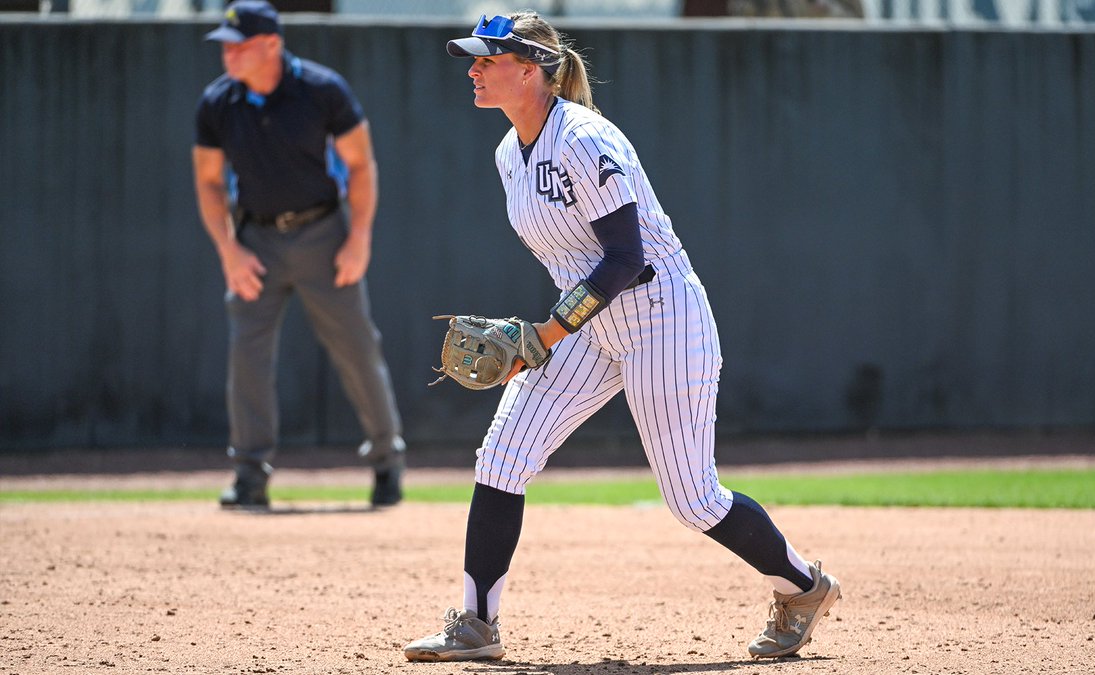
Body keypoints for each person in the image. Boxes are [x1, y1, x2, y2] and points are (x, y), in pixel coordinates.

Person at [402, 11, 841, 662]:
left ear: (530, 70)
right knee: (501, 456)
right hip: (589, 322)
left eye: (485, 60)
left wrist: (544, 332)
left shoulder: (582, 138)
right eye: (472, 59)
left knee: (693, 498)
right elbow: (577, 265)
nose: (472, 69)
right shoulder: (507, 155)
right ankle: (476, 623)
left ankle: (802, 586)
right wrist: (550, 334)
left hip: (660, 316)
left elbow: (624, 257)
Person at [191, 0, 405, 509]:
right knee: (248, 354)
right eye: (225, 45)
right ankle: (249, 476)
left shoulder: (321, 89)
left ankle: (386, 464)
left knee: (357, 349)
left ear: (271, 45)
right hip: (254, 242)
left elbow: (360, 164)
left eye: (239, 45)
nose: (229, 55)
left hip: (323, 236)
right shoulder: (218, 101)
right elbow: (207, 181)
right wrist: (228, 250)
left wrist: (360, 237)